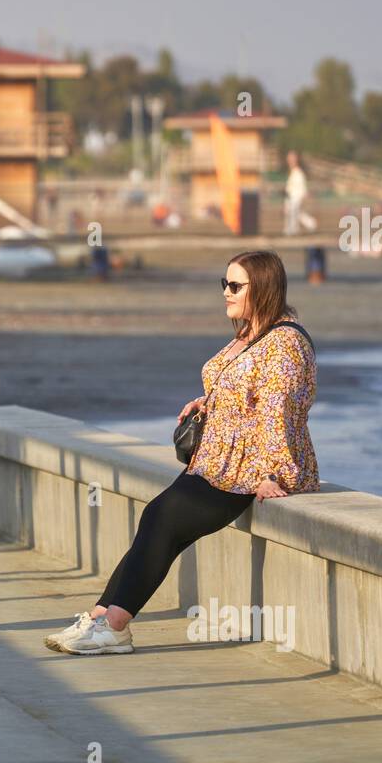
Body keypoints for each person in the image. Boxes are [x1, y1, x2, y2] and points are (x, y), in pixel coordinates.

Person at [44, 249, 319, 655]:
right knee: (157, 519)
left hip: (245, 469)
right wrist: (207, 402)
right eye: (223, 283)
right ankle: (101, 617)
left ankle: (114, 626)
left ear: (262, 288)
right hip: (214, 460)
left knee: (162, 517)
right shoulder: (251, 333)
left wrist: (276, 473)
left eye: (235, 285)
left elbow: (278, 411)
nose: (226, 292)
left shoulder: (284, 343)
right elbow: (245, 392)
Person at [283, 151, 309, 234]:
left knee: (294, 214)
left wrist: (302, 196)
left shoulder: (298, 172)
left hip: (296, 197)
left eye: (291, 158)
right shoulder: (291, 171)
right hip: (290, 197)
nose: (289, 160)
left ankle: (292, 231)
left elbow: (302, 187)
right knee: (294, 214)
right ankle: (311, 225)